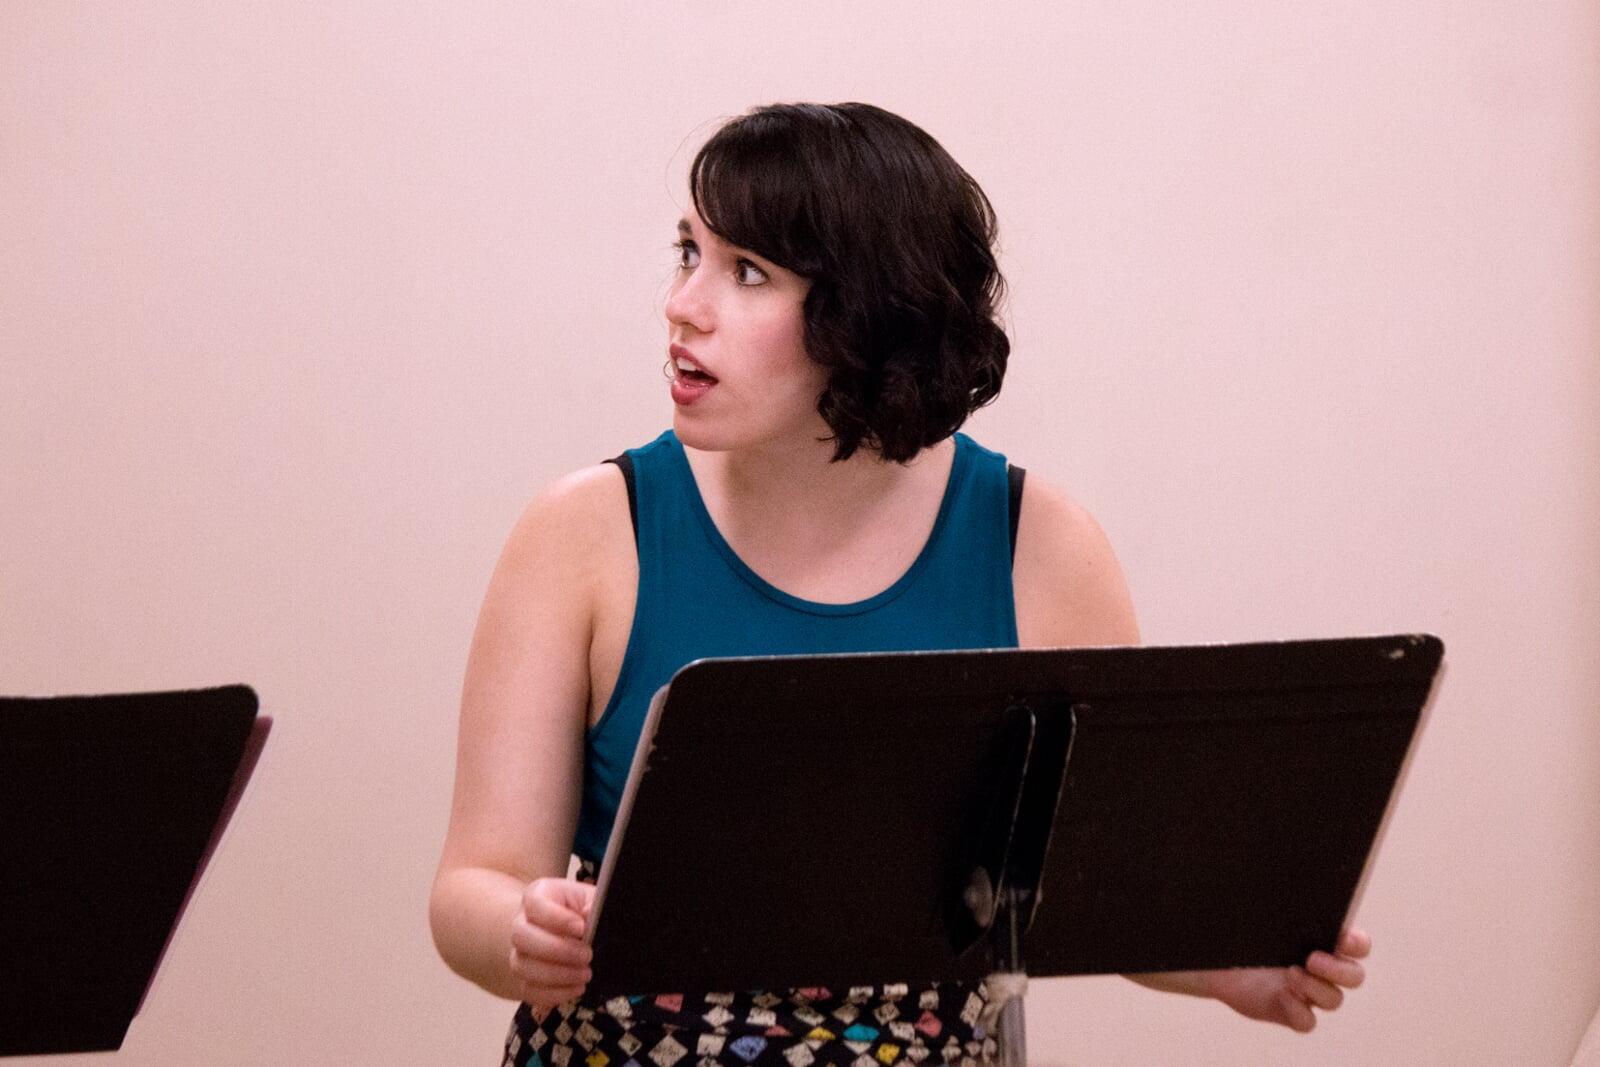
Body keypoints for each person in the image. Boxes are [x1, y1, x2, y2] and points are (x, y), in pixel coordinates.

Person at [429, 102, 1372, 1067]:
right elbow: (474, 883)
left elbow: (1092, 889)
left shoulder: (1040, 546)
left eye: (747, 272)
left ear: (868, 312)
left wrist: (1231, 967)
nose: (683, 303)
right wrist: (520, 928)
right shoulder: (585, 530)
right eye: (688, 253)